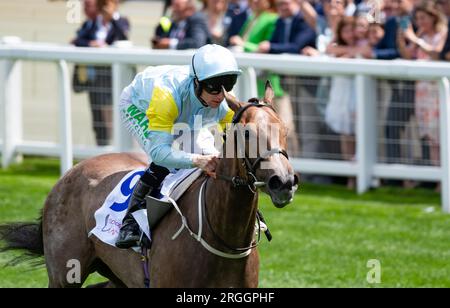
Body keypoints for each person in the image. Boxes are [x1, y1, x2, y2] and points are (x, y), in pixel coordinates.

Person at [116, 45, 241, 249]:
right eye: (214, 87)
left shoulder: (223, 104)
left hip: (186, 113)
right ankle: (130, 224)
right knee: (166, 162)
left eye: (228, 84)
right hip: (140, 105)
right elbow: (159, 153)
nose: (220, 95)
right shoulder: (166, 97)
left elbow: (237, 146)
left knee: (213, 156)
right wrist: (198, 160)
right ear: (197, 82)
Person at [72, 0, 130, 146]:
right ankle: (101, 146)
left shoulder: (121, 21)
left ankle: (113, 147)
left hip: (113, 78)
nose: (104, 8)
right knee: (97, 116)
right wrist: (91, 44)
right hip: (95, 79)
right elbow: (78, 39)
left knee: (110, 115)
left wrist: (112, 17)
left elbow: (124, 36)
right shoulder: (91, 23)